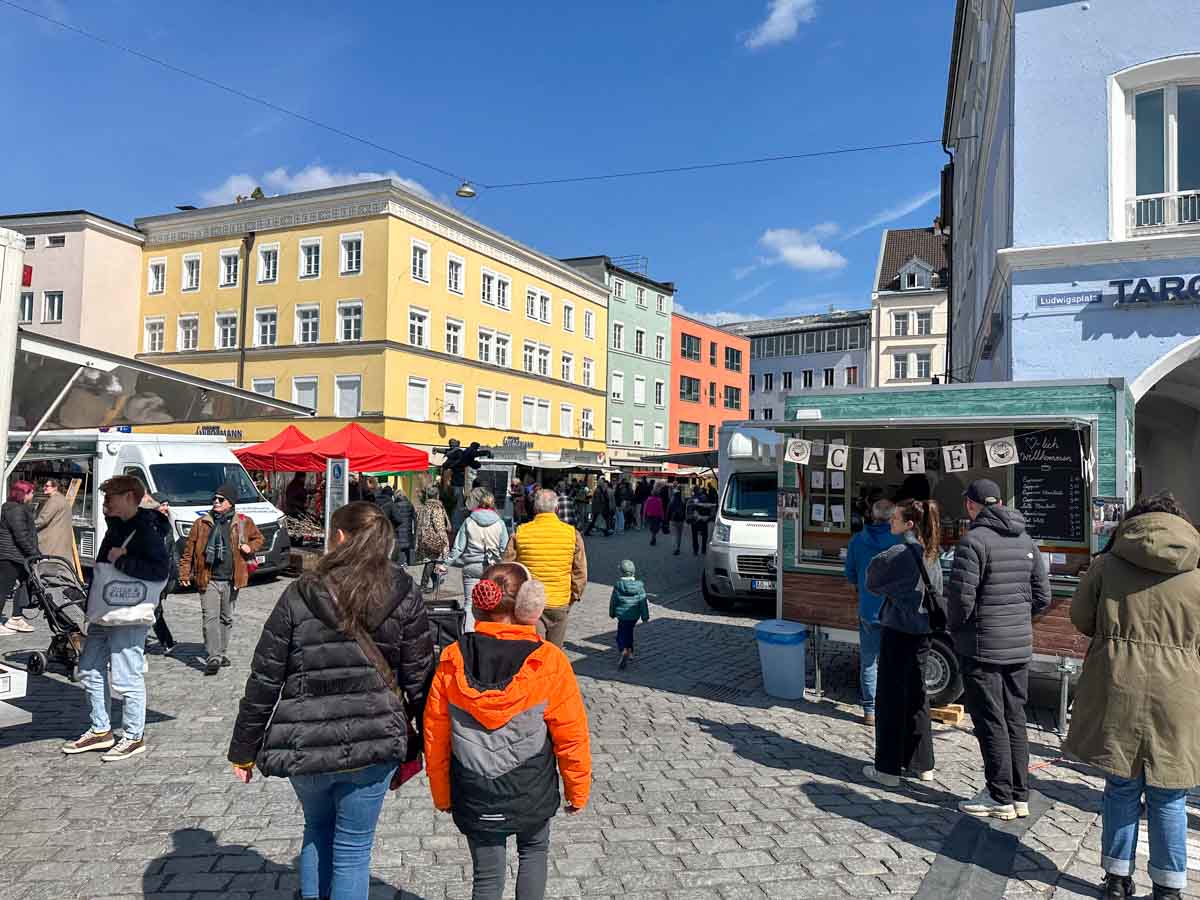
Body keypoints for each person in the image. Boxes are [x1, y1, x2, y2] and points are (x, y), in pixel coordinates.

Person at [228, 502, 434, 900]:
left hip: (305, 738)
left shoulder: (299, 592)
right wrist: (427, 744)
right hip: (375, 738)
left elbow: (265, 676)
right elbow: (420, 677)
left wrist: (243, 750)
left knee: (317, 830)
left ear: (339, 537)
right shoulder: (403, 591)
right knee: (354, 849)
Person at [423, 564, 591, 900]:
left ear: (481, 604)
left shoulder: (452, 659)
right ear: (529, 604)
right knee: (533, 853)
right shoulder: (549, 660)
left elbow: (436, 735)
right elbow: (570, 734)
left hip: (474, 788)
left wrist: (442, 794)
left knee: (486, 879)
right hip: (532, 787)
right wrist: (578, 789)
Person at [1063, 493, 1200, 900]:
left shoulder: (1107, 564)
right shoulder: (1197, 573)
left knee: (1121, 787)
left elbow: (1080, 618)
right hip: (1179, 693)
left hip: (1118, 683)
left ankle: (1118, 878)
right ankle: (1169, 887)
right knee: (1170, 794)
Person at [946, 478, 1050, 821]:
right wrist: (1019, 620)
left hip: (982, 646)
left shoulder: (973, 541)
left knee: (991, 721)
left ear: (971, 506)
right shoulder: (1025, 538)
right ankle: (1020, 795)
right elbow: (1043, 597)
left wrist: (957, 628)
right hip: (1018, 645)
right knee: (1015, 719)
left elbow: (961, 599)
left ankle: (999, 796)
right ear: (1001, 502)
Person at [62, 475, 169, 762]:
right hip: (105, 613)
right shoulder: (117, 527)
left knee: (126, 676)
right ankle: (101, 730)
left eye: (110, 496)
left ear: (130, 498)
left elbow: (160, 572)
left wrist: (121, 560)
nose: (105, 501)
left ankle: (134, 736)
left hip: (128, 616)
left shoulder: (147, 529)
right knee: (89, 669)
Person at [861, 498, 942, 787]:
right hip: (923, 632)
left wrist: (893, 592)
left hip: (899, 630)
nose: (889, 522)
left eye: (895, 518)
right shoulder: (932, 553)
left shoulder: (899, 553)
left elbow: (872, 579)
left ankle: (888, 769)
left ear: (909, 524)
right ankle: (923, 764)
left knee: (891, 699)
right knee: (918, 697)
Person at [178, 482, 266, 676]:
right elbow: (189, 551)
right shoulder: (202, 524)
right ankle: (213, 656)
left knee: (226, 618)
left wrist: (250, 548)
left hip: (232, 578)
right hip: (208, 578)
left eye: (221, 499)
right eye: (215, 499)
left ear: (231, 503)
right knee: (209, 617)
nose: (216, 502)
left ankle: (221, 651)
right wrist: (184, 573)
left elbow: (259, 538)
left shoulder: (243, 522)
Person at [844, 499, 903, 726]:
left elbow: (849, 574)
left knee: (869, 661)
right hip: (895, 610)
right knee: (894, 661)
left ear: (872, 515)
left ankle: (870, 711)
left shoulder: (858, 540)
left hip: (868, 608)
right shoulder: (901, 540)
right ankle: (892, 707)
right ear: (892, 517)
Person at [503, 489, 587, 647]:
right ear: (557, 509)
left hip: (530, 602)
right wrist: (574, 596)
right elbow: (580, 572)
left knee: (533, 650)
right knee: (554, 651)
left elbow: (507, 568)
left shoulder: (520, 532)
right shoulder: (572, 534)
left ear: (535, 509)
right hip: (559, 600)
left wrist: (513, 597)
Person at [449, 486, 510, 632]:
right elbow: (504, 549)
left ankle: (468, 635)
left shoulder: (469, 521)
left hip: (471, 566)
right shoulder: (499, 523)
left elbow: (458, 547)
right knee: (492, 602)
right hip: (491, 568)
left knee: (470, 603)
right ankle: (488, 633)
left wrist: (445, 564)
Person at [0, 481, 38, 635]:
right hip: (10, 556)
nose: (32, 495)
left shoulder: (17, 508)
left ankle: (16, 617)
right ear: (23, 494)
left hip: (18, 556)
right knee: (3, 590)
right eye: (30, 492)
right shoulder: (16, 510)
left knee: (26, 584)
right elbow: (21, 536)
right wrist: (35, 553)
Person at [146, 492, 177, 654]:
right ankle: (166, 642)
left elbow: (172, 552)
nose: (166, 507)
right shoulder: (148, 524)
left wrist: (175, 574)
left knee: (154, 609)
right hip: (148, 575)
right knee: (152, 609)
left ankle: (167, 642)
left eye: (167, 504)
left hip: (162, 575)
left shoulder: (166, 525)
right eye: (162, 504)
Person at [610, 559, 649, 670]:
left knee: (620, 635)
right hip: (634, 616)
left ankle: (623, 650)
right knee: (629, 632)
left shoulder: (618, 586)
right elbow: (643, 602)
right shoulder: (639, 587)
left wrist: (612, 613)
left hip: (622, 616)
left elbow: (614, 601)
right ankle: (630, 651)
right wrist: (645, 616)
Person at [416, 485, 452, 594]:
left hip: (423, 538)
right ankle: (423, 585)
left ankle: (435, 582)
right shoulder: (436, 508)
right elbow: (439, 526)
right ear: (437, 495)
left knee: (431, 561)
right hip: (433, 539)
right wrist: (445, 540)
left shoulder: (423, 507)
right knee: (431, 561)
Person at [35, 478, 76, 563]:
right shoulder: (61, 499)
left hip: (51, 541)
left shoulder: (54, 500)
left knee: (47, 567)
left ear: (55, 488)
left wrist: (28, 526)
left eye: (47, 486)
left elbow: (43, 520)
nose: (44, 488)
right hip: (59, 540)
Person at [686, 489, 715, 556]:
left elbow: (689, 510)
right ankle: (703, 550)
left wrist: (689, 519)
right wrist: (708, 518)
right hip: (703, 520)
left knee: (694, 536)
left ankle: (696, 550)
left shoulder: (692, 499)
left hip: (695, 521)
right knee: (704, 536)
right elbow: (710, 508)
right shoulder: (705, 498)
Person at [667, 488, 686, 556]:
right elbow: (685, 511)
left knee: (674, 534)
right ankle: (678, 547)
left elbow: (668, 511)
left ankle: (675, 548)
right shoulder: (683, 501)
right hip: (681, 520)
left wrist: (667, 520)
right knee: (679, 535)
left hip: (673, 520)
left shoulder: (672, 501)